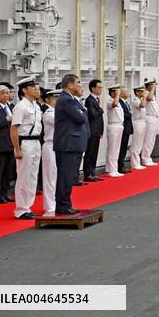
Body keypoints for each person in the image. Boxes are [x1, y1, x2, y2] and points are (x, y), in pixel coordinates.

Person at [54, 74, 90, 215]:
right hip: (68, 144)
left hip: (72, 143)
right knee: (65, 176)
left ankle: (66, 203)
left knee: (69, 176)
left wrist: (82, 110)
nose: (80, 85)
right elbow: (80, 118)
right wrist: (83, 111)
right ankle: (62, 204)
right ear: (70, 85)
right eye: (78, 83)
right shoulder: (66, 100)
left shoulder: (71, 100)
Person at [10, 76, 43, 219]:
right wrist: (17, 148)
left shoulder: (35, 105)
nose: (38, 91)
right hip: (25, 143)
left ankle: (28, 207)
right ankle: (21, 209)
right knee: (24, 176)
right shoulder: (21, 106)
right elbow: (14, 129)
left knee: (32, 175)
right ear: (25, 90)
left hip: (36, 142)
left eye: (38, 88)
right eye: (34, 88)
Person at [40, 88, 60, 217]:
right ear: (47, 100)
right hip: (50, 145)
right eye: (54, 99)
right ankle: (49, 206)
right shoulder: (48, 113)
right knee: (50, 177)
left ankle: (57, 203)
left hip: (59, 146)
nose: (57, 101)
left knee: (57, 176)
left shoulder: (57, 112)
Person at [82, 79, 105, 182]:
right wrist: (100, 110)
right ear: (93, 88)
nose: (101, 89)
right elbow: (93, 114)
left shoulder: (96, 99)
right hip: (92, 130)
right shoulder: (90, 100)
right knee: (90, 153)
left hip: (96, 130)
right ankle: (88, 174)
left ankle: (92, 172)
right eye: (99, 87)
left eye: (101, 87)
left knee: (94, 153)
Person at [104, 85, 125, 178]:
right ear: (113, 93)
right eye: (117, 91)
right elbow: (114, 104)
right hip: (113, 126)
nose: (119, 93)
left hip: (119, 126)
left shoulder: (118, 102)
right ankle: (110, 169)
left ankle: (114, 169)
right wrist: (117, 95)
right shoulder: (110, 101)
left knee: (116, 149)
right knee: (112, 149)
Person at [127, 85, 148, 170]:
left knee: (140, 143)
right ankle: (134, 163)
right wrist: (145, 96)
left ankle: (137, 162)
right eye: (141, 91)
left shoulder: (140, 99)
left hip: (142, 122)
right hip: (137, 122)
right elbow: (142, 105)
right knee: (136, 143)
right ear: (137, 92)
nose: (143, 93)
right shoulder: (135, 100)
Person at [141, 80, 159, 166]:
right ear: (148, 86)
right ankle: (145, 158)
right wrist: (152, 89)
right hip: (149, 118)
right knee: (148, 139)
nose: (155, 87)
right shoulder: (146, 93)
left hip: (154, 118)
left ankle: (148, 157)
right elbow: (148, 98)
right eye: (153, 85)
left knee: (152, 140)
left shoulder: (153, 95)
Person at [117, 88, 134, 172]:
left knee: (124, 147)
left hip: (127, 127)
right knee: (121, 148)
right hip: (123, 128)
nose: (128, 93)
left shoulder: (125, 102)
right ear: (121, 93)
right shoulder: (119, 102)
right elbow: (123, 114)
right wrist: (130, 114)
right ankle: (120, 166)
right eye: (126, 91)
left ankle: (122, 165)